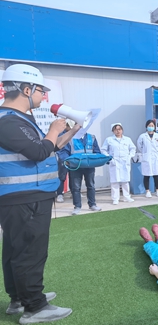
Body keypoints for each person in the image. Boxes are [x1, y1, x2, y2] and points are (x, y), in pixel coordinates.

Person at [0, 64, 77, 323]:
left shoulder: (17, 119)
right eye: (40, 91)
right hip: (25, 197)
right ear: (26, 89)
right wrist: (54, 129)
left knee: (16, 250)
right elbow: (38, 151)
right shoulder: (8, 121)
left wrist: (71, 131)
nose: (43, 96)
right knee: (30, 252)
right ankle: (35, 306)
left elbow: (48, 148)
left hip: (25, 197)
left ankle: (19, 298)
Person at [59, 131, 103, 215]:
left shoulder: (92, 137)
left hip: (89, 166)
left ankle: (92, 204)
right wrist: (66, 160)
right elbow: (64, 152)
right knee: (76, 187)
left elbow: (97, 151)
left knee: (91, 185)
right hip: (75, 167)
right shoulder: (70, 138)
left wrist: (101, 159)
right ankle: (77, 206)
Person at [101, 123, 137, 205]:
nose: (118, 131)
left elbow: (133, 148)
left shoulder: (127, 139)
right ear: (113, 131)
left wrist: (129, 156)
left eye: (119, 129)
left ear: (122, 130)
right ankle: (115, 198)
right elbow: (103, 150)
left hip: (125, 162)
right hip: (114, 162)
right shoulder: (109, 140)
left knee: (125, 181)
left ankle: (126, 196)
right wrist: (110, 158)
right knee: (114, 181)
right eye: (116, 129)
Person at [137, 120, 158, 198]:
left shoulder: (157, 136)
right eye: (149, 126)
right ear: (146, 126)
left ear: (154, 127)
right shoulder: (142, 136)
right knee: (146, 175)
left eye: (152, 126)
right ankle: (147, 191)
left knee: (156, 175)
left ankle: (157, 190)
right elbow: (139, 146)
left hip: (155, 157)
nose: (151, 127)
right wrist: (145, 152)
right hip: (147, 157)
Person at [54, 121, 73, 204]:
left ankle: (74, 192)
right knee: (62, 176)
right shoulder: (61, 134)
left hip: (73, 158)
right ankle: (59, 194)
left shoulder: (74, 134)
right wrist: (63, 158)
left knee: (73, 176)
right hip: (63, 158)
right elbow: (60, 148)